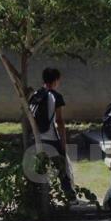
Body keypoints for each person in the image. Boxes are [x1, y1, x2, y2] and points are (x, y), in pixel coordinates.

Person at [38, 67, 77, 200]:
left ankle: (39, 198)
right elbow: (59, 121)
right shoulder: (55, 96)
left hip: (37, 138)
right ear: (55, 80)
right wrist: (63, 142)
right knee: (62, 169)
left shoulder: (36, 94)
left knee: (39, 169)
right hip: (51, 137)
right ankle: (70, 197)